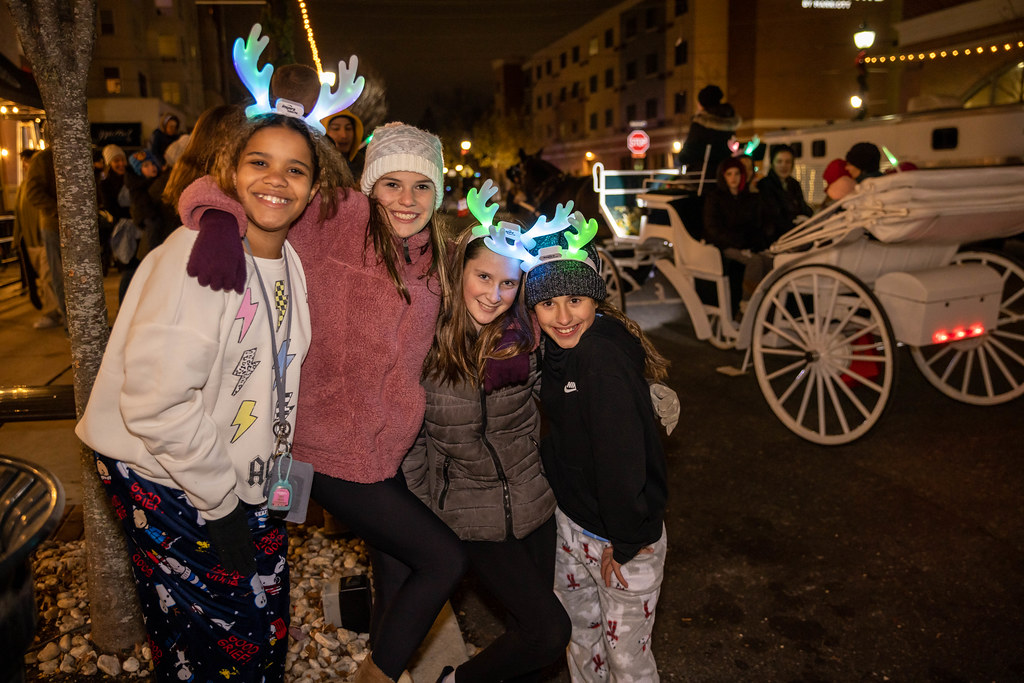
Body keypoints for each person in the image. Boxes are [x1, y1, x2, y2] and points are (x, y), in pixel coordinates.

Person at [180, 120, 466, 683]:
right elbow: (219, 189)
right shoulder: (335, 219)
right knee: (444, 560)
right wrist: (216, 224)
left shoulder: (441, 255)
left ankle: (388, 663)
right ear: (369, 184)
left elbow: (498, 283)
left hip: (389, 449)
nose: (407, 200)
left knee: (400, 568)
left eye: (422, 186)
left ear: (438, 192)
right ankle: (376, 677)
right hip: (324, 443)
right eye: (392, 184)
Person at [75, 111, 343, 682]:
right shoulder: (199, 258)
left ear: (313, 189)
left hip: (239, 474)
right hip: (169, 475)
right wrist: (221, 502)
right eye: (259, 163)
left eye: (295, 169)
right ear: (230, 171)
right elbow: (155, 403)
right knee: (215, 640)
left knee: (266, 625)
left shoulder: (287, 258)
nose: (277, 180)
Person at [402, 182, 572, 683]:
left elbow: (569, 388)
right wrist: (422, 520)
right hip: (467, 515)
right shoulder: (425, 345)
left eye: (510, 284)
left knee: (534, 638)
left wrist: (631, 385)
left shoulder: (524, 339)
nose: (494, 295)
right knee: (547, 632)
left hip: (533, 503)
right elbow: (410, 440)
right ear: (460, 271)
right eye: (483, 276)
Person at [522, 221, 670, 682]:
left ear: (596, 299)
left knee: (627, 663)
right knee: (582, 644)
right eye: (548, 303)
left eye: (576, 300)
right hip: (574, 524)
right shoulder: (556, 350)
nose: (563, 316)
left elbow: (623, 457)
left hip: (621, 538)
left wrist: (624, 541)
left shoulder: (597, 357)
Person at [703, 157, 773, 317]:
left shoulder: (749, 197)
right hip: (725, 245)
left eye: (737, 173)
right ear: (723, 176)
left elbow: (756, 224)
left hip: (746, 243)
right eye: (729, 174)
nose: (733, 178)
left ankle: (767, 302)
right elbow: (713, 229)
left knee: (768, 260)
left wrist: (755, 242)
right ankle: (747, 304)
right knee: (754, 262)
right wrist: (739, 242)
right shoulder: (715, 198)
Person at [24, 132, 65, 330]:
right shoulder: (42, 160)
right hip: (53, 225)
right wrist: (58, 210)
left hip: (71, 226)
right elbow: (33, 193)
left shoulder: (71, 154)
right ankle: (68, 322)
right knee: (58, 275)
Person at [677, 84, 740, 180]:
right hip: (726, 176)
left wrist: (680, 157)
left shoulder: (699, 125)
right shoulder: (729, 123)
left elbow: (688, 154)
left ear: (702, 104)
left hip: (702, 177)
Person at [13, 149, 48, 316]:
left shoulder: (41, 184)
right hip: (29, 240)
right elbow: (18, 214)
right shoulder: (23, 186)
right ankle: (52, 311)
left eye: (28, 161)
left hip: (42, 238)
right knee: (40, 278)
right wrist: (15, 239)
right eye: (25, 162)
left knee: (48, 277)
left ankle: (53, 313)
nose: (26, 165)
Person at [757, 144, 812, 238]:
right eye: (779, 161)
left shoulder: (794, 184)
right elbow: (772, 216)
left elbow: (803, 206)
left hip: (797, 232)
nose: (783, 166)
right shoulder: (765, 185)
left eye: (788, 162)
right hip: (776, 237)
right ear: (772, 163)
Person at [323, 109, 366, 179]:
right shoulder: (315, 166)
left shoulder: (364, 165)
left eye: (348, 128)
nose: (344, 135)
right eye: (335, 128)